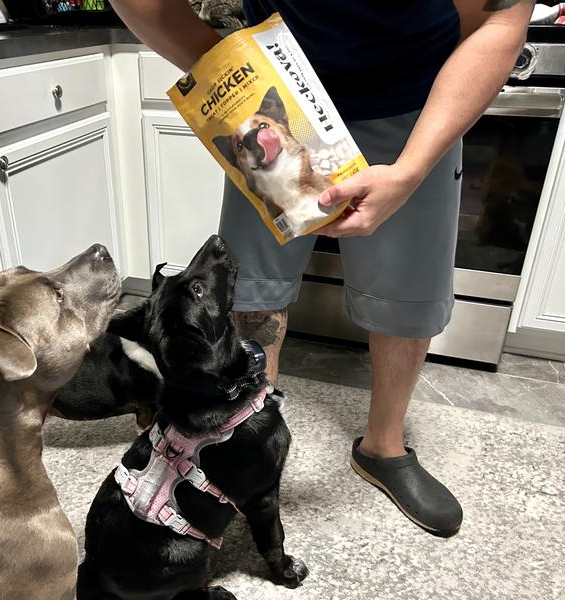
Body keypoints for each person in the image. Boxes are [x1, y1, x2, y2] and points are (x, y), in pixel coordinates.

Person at [109, 0, 534, 537]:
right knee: (250, 289)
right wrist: (232, 69)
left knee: (407, 292)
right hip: (274, 100)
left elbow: (499, 19)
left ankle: (383, 447)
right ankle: (245, 442)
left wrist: (410, 170)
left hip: (416, 105)